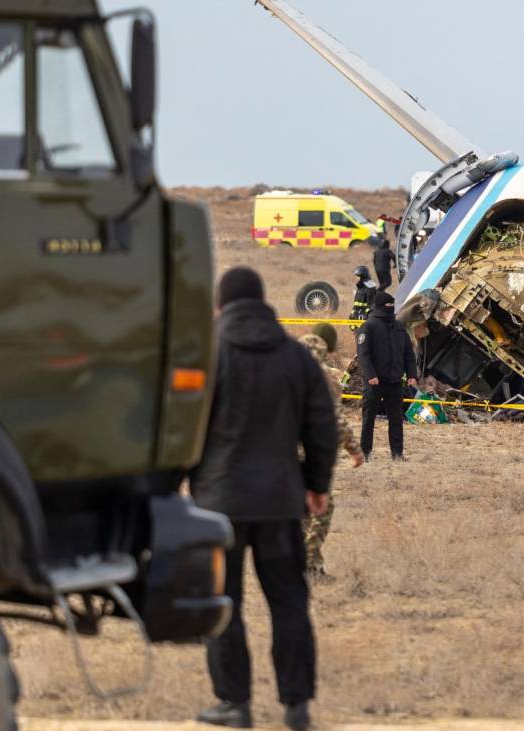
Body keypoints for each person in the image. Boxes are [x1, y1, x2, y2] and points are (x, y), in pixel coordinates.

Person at [191, 267, 337, 731]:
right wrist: (316, 484)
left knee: (223, 604)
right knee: (289, 602)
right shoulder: (297, 358)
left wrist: (173, 487)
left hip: (219, 504)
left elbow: (181, 428)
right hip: (280, 501)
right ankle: (296, 706)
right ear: (264, 304)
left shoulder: (206, 355)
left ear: (221, 306)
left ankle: (234, 704)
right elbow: (322, 426)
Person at [298, 324, 364, 580]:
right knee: (323, 509)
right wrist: (354, 450)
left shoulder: (284, 366)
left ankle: (305, 566)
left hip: (279, 453)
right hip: (311, 453)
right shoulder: (324, 376)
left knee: (301, 510)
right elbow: (335, 418)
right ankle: (309, 563)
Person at [356, 291, 417, 460]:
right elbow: (363, 354)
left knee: (396, 420)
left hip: (395, 382)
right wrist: (370, 376)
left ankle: (397, 453)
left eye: (392, 304)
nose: (390, 307)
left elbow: (408, 354)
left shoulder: (399, 327)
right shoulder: (369, 326)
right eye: (387, 305)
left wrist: (412, 374)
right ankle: (365, 452)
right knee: (368, 420)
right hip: (374, 382)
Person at [349, 265, 377, 331]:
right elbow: (356, 303)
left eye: (357, 277)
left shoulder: (370, 288)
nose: (356, 278)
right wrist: (353, 312)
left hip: (364, 317)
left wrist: (366, 315)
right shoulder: (360, 288)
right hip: (357, 315)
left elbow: (371, 304)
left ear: (362, 277)